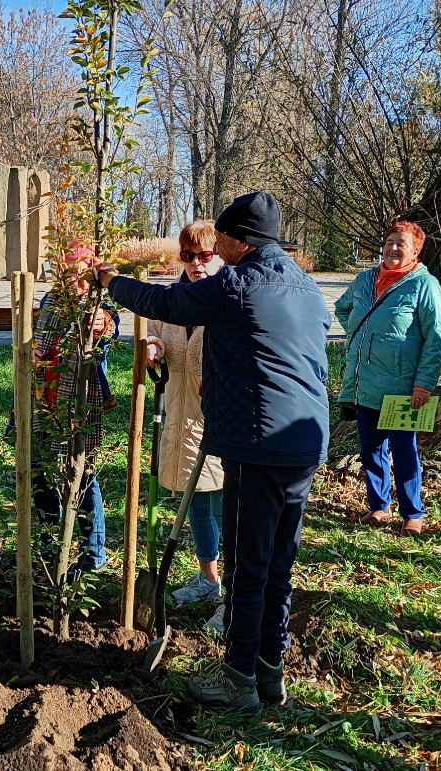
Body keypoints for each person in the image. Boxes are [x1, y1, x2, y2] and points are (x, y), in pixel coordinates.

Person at [97, 191, 331, 712]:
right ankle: (271, 672)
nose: (215, 245)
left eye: (221, 237)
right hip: (304, 438)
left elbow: (166, 305)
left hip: (259, 441)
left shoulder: (237, 284)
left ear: (239, 240)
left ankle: (239, 679)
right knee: (278, 564)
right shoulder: (305, 287)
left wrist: (110, 281)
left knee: (248, 567)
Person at [334, 220, 441, 537]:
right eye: (389, 242)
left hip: (401, 386)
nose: (393, 248)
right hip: (364, 381)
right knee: (370, 449)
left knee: (404, 450)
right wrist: (361, 338)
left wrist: (424, 383)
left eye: (402, 243)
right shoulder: (364, 279)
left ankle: (413, 513)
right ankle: (378, 506)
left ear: (416, 249)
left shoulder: (424, 285)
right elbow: (344, 309)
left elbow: (437, 338)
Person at [144, 221, 227, 606]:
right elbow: (156, 330)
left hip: (219, 417)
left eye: (205, 255)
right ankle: (209, 578)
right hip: (179, 412)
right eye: (188, 255)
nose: (196, 263)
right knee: (194, 500)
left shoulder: (231, 298)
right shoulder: (172, 300)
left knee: (226, 502)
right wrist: (153, 346)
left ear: (220, 256)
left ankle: (237, 588)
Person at [33, 245, 118, 579]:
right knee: (40, 471)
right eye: (69, 272)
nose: (77, 282)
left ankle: (93, 551)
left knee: (83, 474)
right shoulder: (50, 302)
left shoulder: (100, 305)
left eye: (84, 274)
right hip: (43, 400)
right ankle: (49, 545)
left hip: (77, 406)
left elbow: (108, 327)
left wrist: (103, 324)